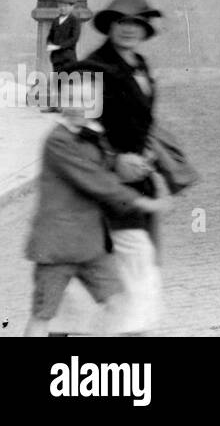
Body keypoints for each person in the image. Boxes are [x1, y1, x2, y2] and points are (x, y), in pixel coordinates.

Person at [58, 0, 172, 336]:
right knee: (123, 277)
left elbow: (138, 124)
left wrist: (147, 154)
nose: (129, 30)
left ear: (144, 29)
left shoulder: (139, 66)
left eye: (136, 23)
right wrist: (114, 159)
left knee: (112, 277)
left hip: (133, 189)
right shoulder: (95, 68)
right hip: (104, 191)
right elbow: (78, 128)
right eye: (122, 22)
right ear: (110, 27)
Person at [24, 78, 171, 337]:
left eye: (84, 101)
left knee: (119, 303)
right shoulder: (57, 141)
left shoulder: (93, 135)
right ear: (59, 102)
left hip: (90, 247)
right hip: (57, 248)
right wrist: (140, 201)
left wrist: (133, 164)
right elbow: (95, 180)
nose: (77, 107)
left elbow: (107, 164)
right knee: (43, 313)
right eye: (70, 100)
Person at [46, 0, 81, 73]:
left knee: (68, 81)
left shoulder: (74, 21)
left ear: (72, 7)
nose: (62, 8)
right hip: (55, 58)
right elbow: (50, 35)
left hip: (68, 57)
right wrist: (49, 44)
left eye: (65, 6)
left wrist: (59, 46)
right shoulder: (55, 21)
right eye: (60, 6)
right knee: (57, 81)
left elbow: (74, 38)